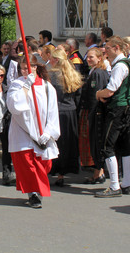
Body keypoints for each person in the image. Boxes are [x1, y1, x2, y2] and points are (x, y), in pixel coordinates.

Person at [6, 55, 60, 208]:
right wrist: (26, 86)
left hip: (42, 133)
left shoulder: (48, 87)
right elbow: (14, 106)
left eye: (27, 68)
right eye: (22, 68)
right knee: (27, 164)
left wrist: (49, 133)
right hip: (23, 132)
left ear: (36, 67)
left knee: (45, 164)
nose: (24, 71)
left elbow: (53, 112)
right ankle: (33, 194)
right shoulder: (17, 85)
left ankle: (37, 190)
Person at [94, 36, 130, 197]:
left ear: (117, 47)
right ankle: (126, 183)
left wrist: (98, 93)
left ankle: (114, 186)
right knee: (125, 146)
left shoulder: (120, 66)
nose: (105, 50)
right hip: (127, 108)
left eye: (108, 47)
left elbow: (111, 90)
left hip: (117, 109)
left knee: (107, 146)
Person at [49, 49, 82, 186]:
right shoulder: (73, 73)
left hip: (57, 112)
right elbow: (79, 95)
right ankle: (64, 172)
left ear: (56, 60)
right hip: (71, 112)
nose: (49, 61)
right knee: (68, 143)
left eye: (51, 58)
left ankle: (56, 171)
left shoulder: (52, 75)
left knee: (57, 143)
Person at [79, 47, 109, 183]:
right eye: (88, 57)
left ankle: (98, 173)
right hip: (91, 110)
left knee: (95, 142)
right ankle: (98, 172)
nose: (89, 59)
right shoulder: (95, 71)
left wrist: (92, 113)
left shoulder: (98, 73)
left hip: (93, 112)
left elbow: (95, 95)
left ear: (99, 58)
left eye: (92, 57)